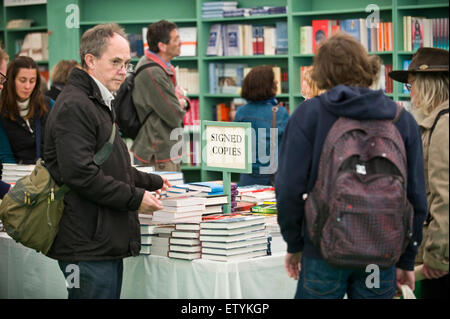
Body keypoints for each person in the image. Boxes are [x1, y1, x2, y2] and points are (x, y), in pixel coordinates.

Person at [276, 32, 428, 299]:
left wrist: (295, 243)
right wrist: (407, 259)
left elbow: (288, 188)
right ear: (365, 66)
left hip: (323, 252)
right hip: (381, 255)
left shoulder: (309, 114)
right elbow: (416, 196)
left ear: (321, 72)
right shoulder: (402, 119)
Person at [43, 23, 170, 299]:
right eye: (115, 62)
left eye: (127, 63)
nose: (123, 71)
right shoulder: (76, 105)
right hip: (85, 242)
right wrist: (136, 198)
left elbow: (110, 164)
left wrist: (153, 181)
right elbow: (81, 174)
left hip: (100, 237)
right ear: (90, 60)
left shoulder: (97, 100)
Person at [389, 47, 449, 299]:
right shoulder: (435, 121)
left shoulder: (444, 125)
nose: (410, 92)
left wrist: (437, 255)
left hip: (441, 260)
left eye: (411, 85)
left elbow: (444, 197)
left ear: (428, 85)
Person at [130, 19, 189, 172]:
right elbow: (175, 114)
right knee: (166, 196)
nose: (180, 42)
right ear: (162, 46)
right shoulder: (154, 72)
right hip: (158, 153)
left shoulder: (157, 66)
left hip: (163, 148)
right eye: (176, 39)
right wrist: (182, 102)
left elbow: (175, 100)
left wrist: (179, 100)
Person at [234, 65, 289, 186]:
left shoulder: (241, 113)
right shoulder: (280, 113)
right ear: (267, 85)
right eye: (273, 80)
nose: (277, 82)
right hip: (272, 178)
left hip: (247, 177)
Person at [0, 56, 53, 164]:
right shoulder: (1, 111)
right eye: (22, 80)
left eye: (32, 81)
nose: (27, 86)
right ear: (11, 80)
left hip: (47, 175)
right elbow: (6, 156)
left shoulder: (48, 105)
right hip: (15, 175)